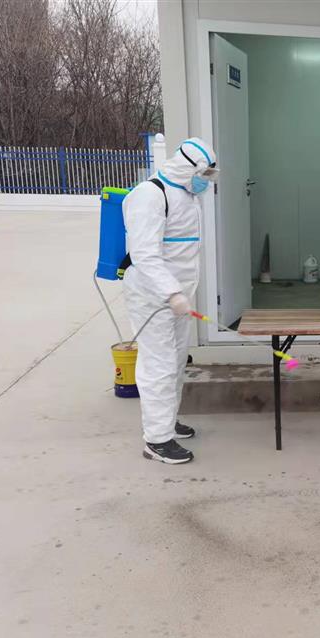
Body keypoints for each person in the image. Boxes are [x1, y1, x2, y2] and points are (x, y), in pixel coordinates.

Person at [122, 137, 219, 464]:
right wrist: (171, 292)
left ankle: (167, 421)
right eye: (203, 173)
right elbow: (144, 254)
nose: (205, 181)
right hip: (152, 297)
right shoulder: (150, 195)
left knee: (176, 361)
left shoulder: (188, 196)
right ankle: (157, 440)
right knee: (158, 365)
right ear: (186, 166)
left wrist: (181, 294)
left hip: (178, 298)